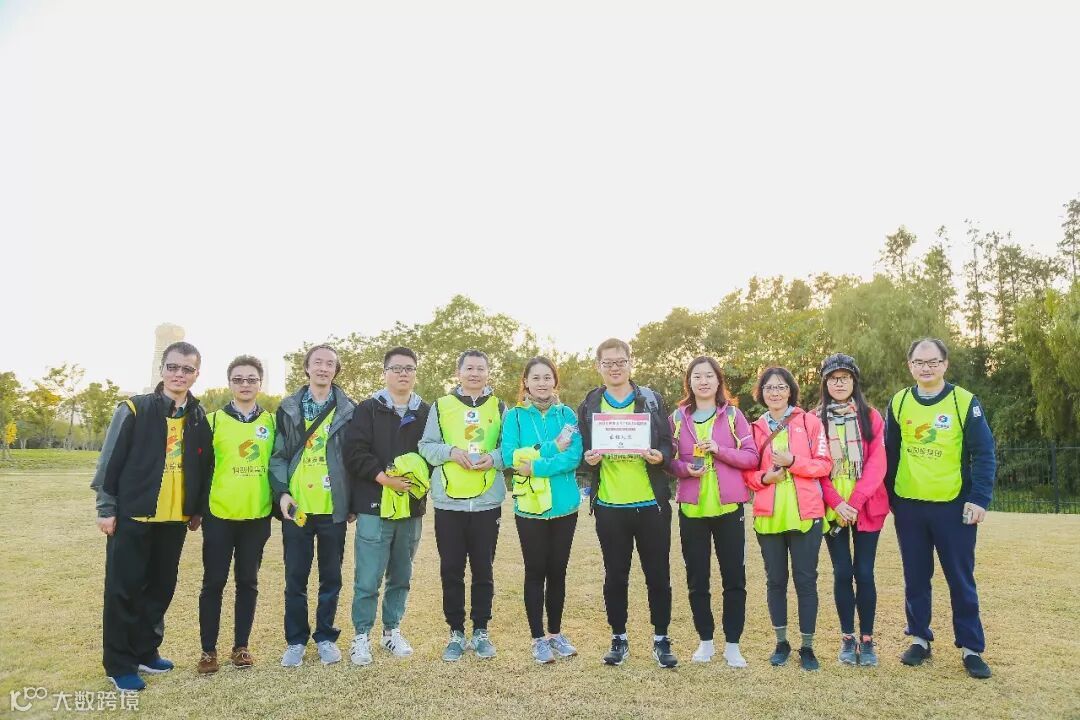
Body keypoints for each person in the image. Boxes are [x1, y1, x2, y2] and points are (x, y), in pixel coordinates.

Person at [91, 341, 211, 692]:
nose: (179, 374)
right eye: (173, 367)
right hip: (134, 516)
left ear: (196, 374)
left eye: (187, 369)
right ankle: (119, 663)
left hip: (173, 519)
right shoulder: (134, 408)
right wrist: (106, 508)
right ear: (162, 370)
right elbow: (110, 461)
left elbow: (203, 465)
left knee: (160, 589)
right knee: (124, 591)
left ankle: (146, 651)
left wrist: (195, 509)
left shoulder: (198, 415)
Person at [886, 338, 996, 679]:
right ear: (910, 366)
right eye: (919, 362)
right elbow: (890, 453)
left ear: (945, 364)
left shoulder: (964, 401)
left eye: (933, 362)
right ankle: (919, 639)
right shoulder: (900, 402)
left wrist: (979, 499)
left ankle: (970, 647)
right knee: (916, 577)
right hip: (909, 506)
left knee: (960, 579)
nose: (926, 368)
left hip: (953, 507)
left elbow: (984, 454)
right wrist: (891, 499)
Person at [577, 338, 677, 669]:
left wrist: (661, 456)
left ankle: (661, 639)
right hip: (610, 505)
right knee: (615, 576)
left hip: (651, 505)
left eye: (620, 361)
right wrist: (588, 459)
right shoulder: (590, 403)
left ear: (630, 363)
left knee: (658, 575)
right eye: (608, 363)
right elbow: (583, 451)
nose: (615, 368)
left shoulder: (651, 400)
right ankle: (618, 638)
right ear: (598, 366)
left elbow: (668, 443)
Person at [667, 356, 759, 667]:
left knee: (734, 578)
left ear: (718, 381)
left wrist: (720, 451)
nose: (703, 381)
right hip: (692, 511)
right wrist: (685, 470)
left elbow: (751, 457)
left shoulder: (733, 415)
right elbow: (668, 461)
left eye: (709, 375)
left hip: (729, 509)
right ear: (689, 382)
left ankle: (733, 645)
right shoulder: (677, 418)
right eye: (697, 376)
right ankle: (705, 641)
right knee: (697, 579)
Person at [270, 344, 357, 668]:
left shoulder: (349, 409)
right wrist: (282, 493)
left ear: (336, 370)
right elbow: (278, 456)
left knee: (331, 577)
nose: (323, 368)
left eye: (329, 363)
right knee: (295, 577)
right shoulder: (288, 408)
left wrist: (352, 501)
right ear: (306, 367)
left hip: (333, 506)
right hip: (297, 508)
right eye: (317, 362)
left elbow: (354, 459)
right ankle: (295, 640)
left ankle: (325, 637)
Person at [342, 347, 430, 666]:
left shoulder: (426, 412)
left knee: (401, 575)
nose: (403, 373)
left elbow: (431, 454)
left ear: (415, 373)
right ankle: (361, 636)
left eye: (409, 368)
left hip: (410, 507)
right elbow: (354, 451)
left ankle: (391, 631)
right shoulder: (368, 409)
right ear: (385, 373)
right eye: (396, 368)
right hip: (374, 505)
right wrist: (384, 478)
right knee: (368, 578)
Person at [419, 349, 507, 662]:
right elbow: (426, 446)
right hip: (449, 504)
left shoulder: (500, 406)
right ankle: (456, 632)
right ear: (459, 373)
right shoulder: (441, 405)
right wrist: (450, 452)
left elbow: (508, 450)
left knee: (484, 569)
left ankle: (481, 631)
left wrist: (493, 459)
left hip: (487, 503)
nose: (474, 373)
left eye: (480, 368)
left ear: (488, 373)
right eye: (469, 368)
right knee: (452, 570)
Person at [742, 366, 832, 671]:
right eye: (769, 387)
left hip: (806, 515)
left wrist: (793, 462)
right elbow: (747, 473)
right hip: (769, 517)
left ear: (791, 391)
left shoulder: (810, 422)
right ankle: (781, 643)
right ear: (761, 393)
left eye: (781, 387)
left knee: (806, 581)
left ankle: (807, 646)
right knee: (775, 581)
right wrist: (765, 478)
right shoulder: (754, 428)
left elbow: (824, 464)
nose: (775, 392)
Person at [501, 357, 584, 664]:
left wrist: (535, 466)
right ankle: (538, 639)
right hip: (530, 508)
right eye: (535, 377)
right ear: (525, 382)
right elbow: (510, 457)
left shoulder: (567, 415)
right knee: (535, 571)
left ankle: (555, 634)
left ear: (555, 381)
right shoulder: (515, 417)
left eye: (547, 377)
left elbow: (573, 456)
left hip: (564, 505)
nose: (541, 383)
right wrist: (551, 449)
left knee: (558, 572)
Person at [197, 355, 276, 674]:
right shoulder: (213, 421)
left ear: (260, 384)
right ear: (229, 383)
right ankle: (208, 651)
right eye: (238, 379)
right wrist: (197, 510)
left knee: (248, 581)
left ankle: (241, 647)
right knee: (213, 582)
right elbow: (200, 468)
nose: (245, 384)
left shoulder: (272, 422)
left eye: (251, 379)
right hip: (219, 514)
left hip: (257, 514)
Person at [814, 353, 888, 667]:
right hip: (833, 508)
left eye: (844, 377)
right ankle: (847, 638)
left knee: (864, 572)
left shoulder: (870, 416)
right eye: (833, 378)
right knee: (842, 572)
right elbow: (816, 467)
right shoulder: (814, 419)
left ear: (854, 381)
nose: (839, 383)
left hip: (866, 506)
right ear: (825, 383)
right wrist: (837, 503)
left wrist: (854, 503)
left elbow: (878, 463)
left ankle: (867, 639)